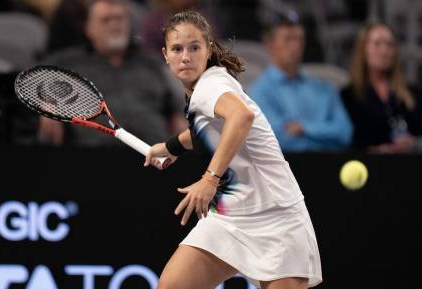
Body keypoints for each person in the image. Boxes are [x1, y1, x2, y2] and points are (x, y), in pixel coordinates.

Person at [144, 11, 322, 289]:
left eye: (194, 47)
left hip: (276, 217)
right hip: (230, 217)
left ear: (208, 49)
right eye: (177, 49)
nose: (186, 56)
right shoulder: (205, 87)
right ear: (165, 54)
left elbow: (241, 117)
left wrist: (210, 178)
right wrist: (171, 147)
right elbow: (210, 130)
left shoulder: (210, 85)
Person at [39, 0, 186, 146]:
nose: (115, 25)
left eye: (120, 19)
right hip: (94, 157)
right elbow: (33, 79)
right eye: (106, 20)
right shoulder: (68, 63)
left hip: (152, 155)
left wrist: (178, 119)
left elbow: (175, 106)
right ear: (88, 28)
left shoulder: (151, 63)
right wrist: (47, 104)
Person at [250, 13, 353, 152]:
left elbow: (345, 133)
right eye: (288, 39)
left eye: (299, 39)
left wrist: (304, 128)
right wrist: (324, 137)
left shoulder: (324, 88)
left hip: (329, 166)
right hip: (288, 168)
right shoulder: (259, 91)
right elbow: (274, 141)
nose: (295, 46)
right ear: (269, 44)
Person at [341, 22, 422, 153]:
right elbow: (345, 140)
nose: (384, 51)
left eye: (390, 44)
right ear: (363, 49)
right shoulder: (348, 96)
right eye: (377, 44)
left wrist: (415, 143)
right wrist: (375, 150)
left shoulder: (413, 93)